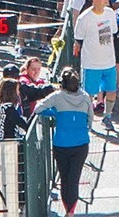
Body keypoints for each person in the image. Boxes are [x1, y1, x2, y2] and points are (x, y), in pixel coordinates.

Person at [35, 70, 93, 217]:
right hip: (81, 144)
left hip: (61, 144)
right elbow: (90, 119)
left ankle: (68, 210)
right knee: (74, 178)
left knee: (65, 178)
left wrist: (55, 112)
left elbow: (38, 109)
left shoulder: (57, 97)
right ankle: (70, 212)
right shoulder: (85, 97)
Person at [74, 0, 119, 120]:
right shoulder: (84, 18)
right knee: (89, 93)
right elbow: (78, 37)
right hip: (91, 63)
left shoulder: (110, 13)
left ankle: (108, 115)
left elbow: (113, 31)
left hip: (109, 61)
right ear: (94, 0)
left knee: (111, 90)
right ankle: (88, 118)